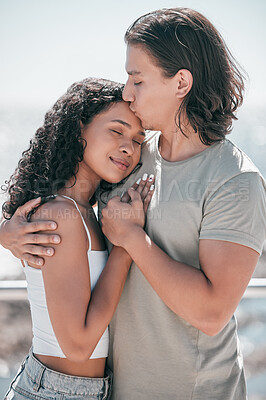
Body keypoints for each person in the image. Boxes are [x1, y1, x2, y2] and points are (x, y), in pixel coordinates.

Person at [1, 7, 266, 400]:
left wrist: (131, 240)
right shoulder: (134, 158)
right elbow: (72, 207)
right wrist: (10, 232)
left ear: (180, 82)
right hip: (109, 389)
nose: (127, 92)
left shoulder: (235, 180)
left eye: (137, 79)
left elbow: (211, 315)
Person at [1, 77, 154, 400]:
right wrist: (126, 246)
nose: (129, 147)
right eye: (117, 130)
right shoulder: (63, 215)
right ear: (79, 128)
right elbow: (78, 346)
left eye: (139, 139)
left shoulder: (84, 212)